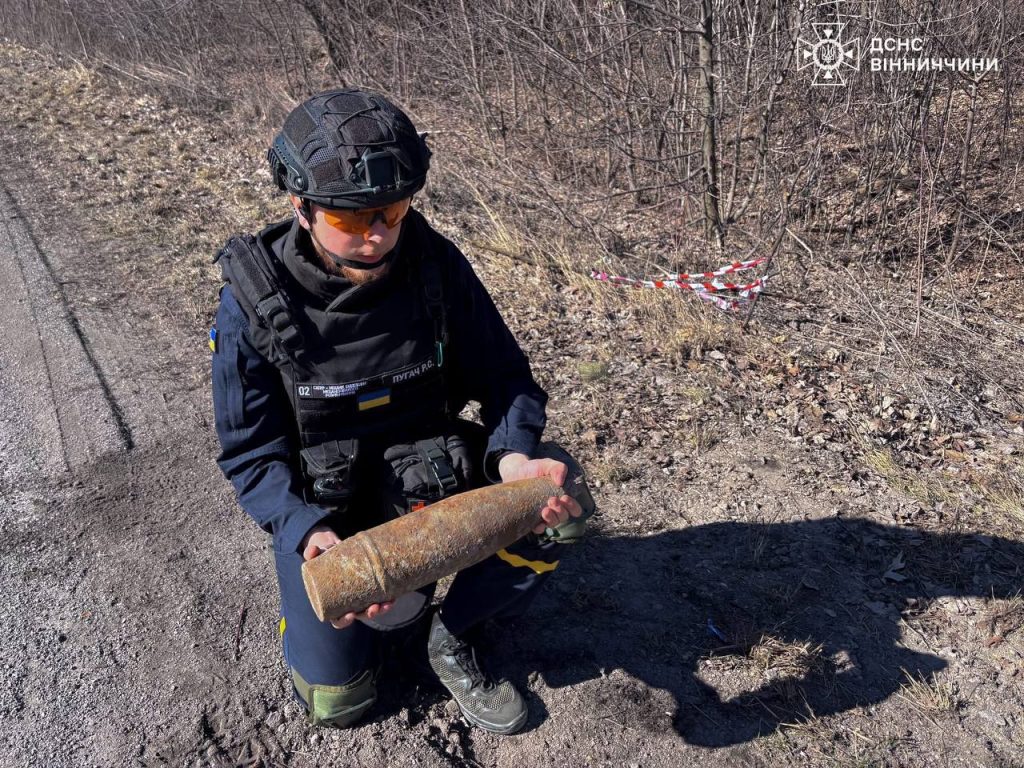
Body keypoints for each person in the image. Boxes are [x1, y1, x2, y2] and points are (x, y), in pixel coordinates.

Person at [210, 88, 593, 735]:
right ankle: (370, 627)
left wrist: (514, 456)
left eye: (391, 210)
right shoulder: (253, 306)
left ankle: (453, 632)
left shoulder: (433, 265)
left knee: (559, 492)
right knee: (339, 704)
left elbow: (506, 377)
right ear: (301, 206)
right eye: (352, 221)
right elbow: (251, 454)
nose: (378, 235)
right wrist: (306, 532)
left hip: (433, 473)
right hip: (331, 514)